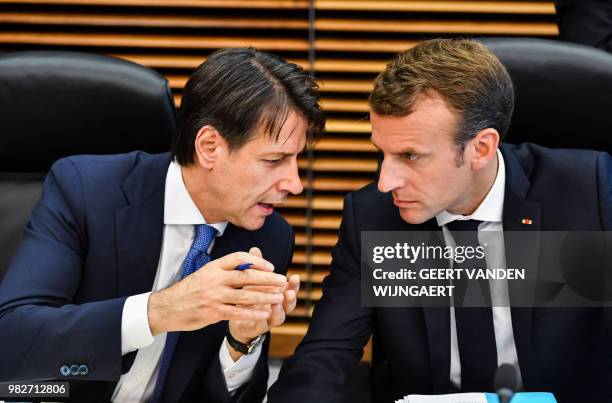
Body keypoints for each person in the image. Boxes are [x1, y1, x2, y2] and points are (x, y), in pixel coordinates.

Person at [268, 38, 612, 402]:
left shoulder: (589, 196)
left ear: (481, 148)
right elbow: (322, 359)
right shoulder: (374, 217)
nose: (386, 182)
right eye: (382, 153)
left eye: (411, 156)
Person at [0, 47, 325, 403]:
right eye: (274, 159)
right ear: (209, 147)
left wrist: (240, 343)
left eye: (296, 160)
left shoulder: (269, 236)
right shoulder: (83, 190)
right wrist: (160, 310)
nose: (295, 184)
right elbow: (13, 340)